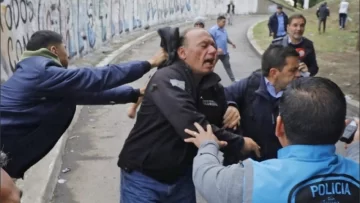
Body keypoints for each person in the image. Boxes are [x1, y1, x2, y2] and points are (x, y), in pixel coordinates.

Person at [117, 28, 260, 203]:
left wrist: (232, 106)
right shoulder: (166, 78)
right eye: (204, 46)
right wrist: (239, 143)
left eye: (214, 46)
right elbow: (190, 123)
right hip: (143, 178)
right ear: (182, 53)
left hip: (182, 179)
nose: (213, 51)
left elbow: (227, 118)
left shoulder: (214, 87)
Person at [0, 30, 167, 179]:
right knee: (12, 196)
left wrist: (135, 93)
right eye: (64, 47)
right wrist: (149, 63)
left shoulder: (35, 71)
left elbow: (85, 94)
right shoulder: (42, 72)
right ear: (54, 50)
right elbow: (96, 77)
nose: (69, 54)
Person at [185, 77, 360, 203]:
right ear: (343, 128)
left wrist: (207, 145)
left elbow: (205, 176)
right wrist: (356, 146)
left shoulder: (250, 180)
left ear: (279, 127)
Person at [225, 45, 305, 161]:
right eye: (293, 70)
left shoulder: (300, 91)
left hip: (282, 166)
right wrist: (231, 105)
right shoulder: (250, 85)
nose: (298, 74)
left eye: (298, 69)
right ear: (274, 73)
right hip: (251, 165)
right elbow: (223, 95)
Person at [209, 16, 237, 82]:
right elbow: (210, 41)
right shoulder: (212, 30)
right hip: (215, 53)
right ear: (218, 22)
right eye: (223, 22)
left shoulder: (224, 29)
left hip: (224, 53)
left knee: (228, 66)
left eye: (225, 22)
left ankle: (233, 80)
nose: (225, 23)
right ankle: (207, 80)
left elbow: (226, 38)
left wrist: (232, 43)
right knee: (211, 66)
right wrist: (217, 48)